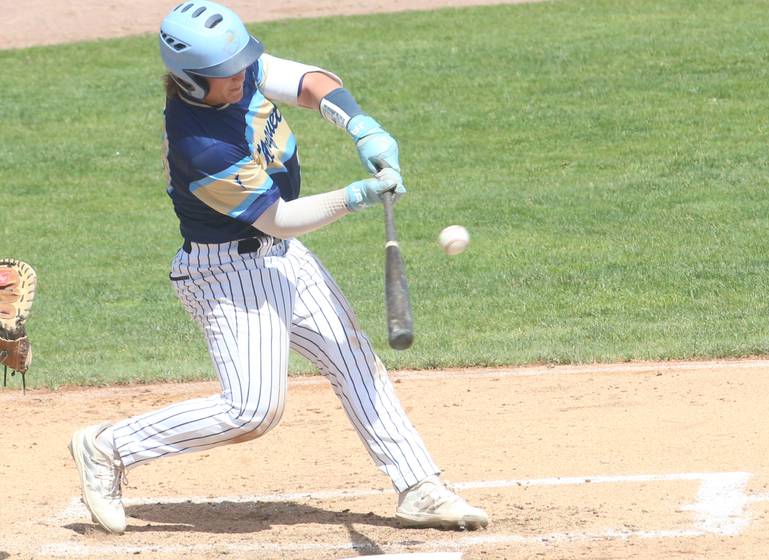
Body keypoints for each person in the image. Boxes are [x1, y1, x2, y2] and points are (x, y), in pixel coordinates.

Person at [68, 0, 488, 535]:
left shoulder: (241, 71)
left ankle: (418, 487)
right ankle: (107, 448)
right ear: (192, 82)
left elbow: (313, 82)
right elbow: (278, 220)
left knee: (353, 359)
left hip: (282, 258)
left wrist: (362, 126)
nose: (241, 76)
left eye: (242, 63)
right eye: (225, 74)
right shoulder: (200, 144)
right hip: (226, 275)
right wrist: (355, 195)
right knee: (252, 411)